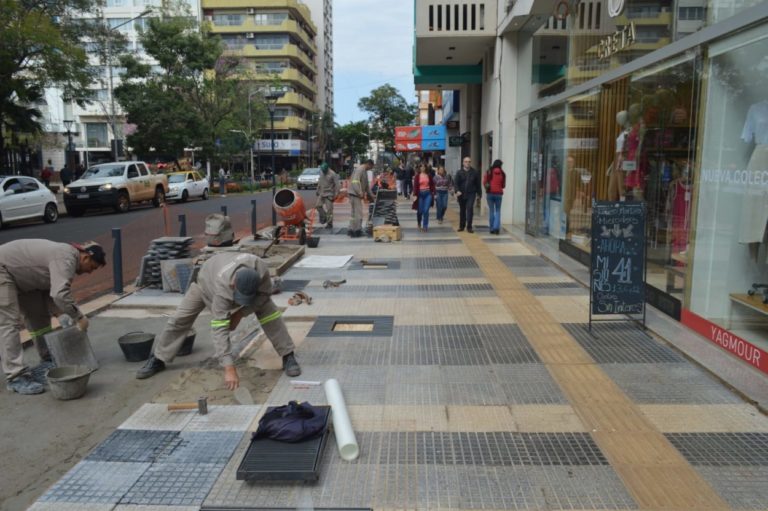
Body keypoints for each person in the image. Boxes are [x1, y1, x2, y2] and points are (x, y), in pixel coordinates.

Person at [137, 252, 302, 388]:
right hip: (205, 284)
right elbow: (220, 327)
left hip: (228, 272)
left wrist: (240, 314)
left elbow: (264, 295)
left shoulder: (261, 271)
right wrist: (229, 367)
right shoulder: (223, 287)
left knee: (270, 313)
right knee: (179, 319)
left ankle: (288, 355)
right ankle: (159, 358)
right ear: (233, 285)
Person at [0, 240, 106, 395]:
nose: (89, 272)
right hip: (3, 270)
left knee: (39, 319)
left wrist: (61, 313)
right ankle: (15, 376)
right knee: (9, 323)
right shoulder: (67, 258)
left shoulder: (66, 258)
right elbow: (60, 294)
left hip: (25, 280)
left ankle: (47, 357)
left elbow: (49, 290)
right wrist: (79, 317)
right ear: (85, 258)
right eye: (92, 267)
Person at [347, 159, 374, 238]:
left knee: (353, 213)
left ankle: (351, 229)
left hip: (354, 194)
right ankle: (357, 230)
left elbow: (366, 186)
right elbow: (355, 182)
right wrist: (359, 192)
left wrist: (372, 195)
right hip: (355, 194)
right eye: (371, 166)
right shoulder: (360, 169)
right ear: (369, 164)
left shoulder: (364, 171)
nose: (371, 168)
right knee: (358, 213)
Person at [454, 156, 482, 233]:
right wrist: (457, 191)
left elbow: (478, 184)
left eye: (469, 161)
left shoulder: (475, 172)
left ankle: (469, 227)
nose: (468, 163)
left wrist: (479, 194)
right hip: (461, 194)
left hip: (471, 193)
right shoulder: (459, 172)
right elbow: (456, 183)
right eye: (466, 161)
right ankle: (461, 226)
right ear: (463, 163)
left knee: (469, 209)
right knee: (462, 210)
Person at [483, 159, 506, 235]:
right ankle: (496, 228)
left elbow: (484, 182)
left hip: (490, 193)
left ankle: (492, 228)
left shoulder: (489, 171)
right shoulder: (502, 173)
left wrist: (487, 187)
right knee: (498, 211)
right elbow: (503, 185)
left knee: (491, 211)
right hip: (499, 194)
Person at [412, 163, 436, 232]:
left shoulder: (429, 175)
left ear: (426, 168)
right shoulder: (417, 176)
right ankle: (419, 222)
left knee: (426, 210)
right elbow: (415, 186)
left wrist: (434, 192)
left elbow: (432, 184)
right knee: (420, 211)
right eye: (421, 167)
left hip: (428, 194)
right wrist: (414, 194)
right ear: (419, 168)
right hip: (420, 194)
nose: (422, 168)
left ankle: (425, 226)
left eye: (424, 166)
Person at [316, 162, 339, 228]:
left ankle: (329, 223)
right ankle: (324, 216)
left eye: (325, 171)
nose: (324, 172)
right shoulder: (321, 172)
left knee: (329, 210)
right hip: (321, 193)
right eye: (323, 171)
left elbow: (337, 185)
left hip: (329, 194)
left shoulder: (333, 174)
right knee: (318, 206)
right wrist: (317, 190)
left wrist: (336, 194)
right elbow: (320, 182)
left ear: (327, 169)